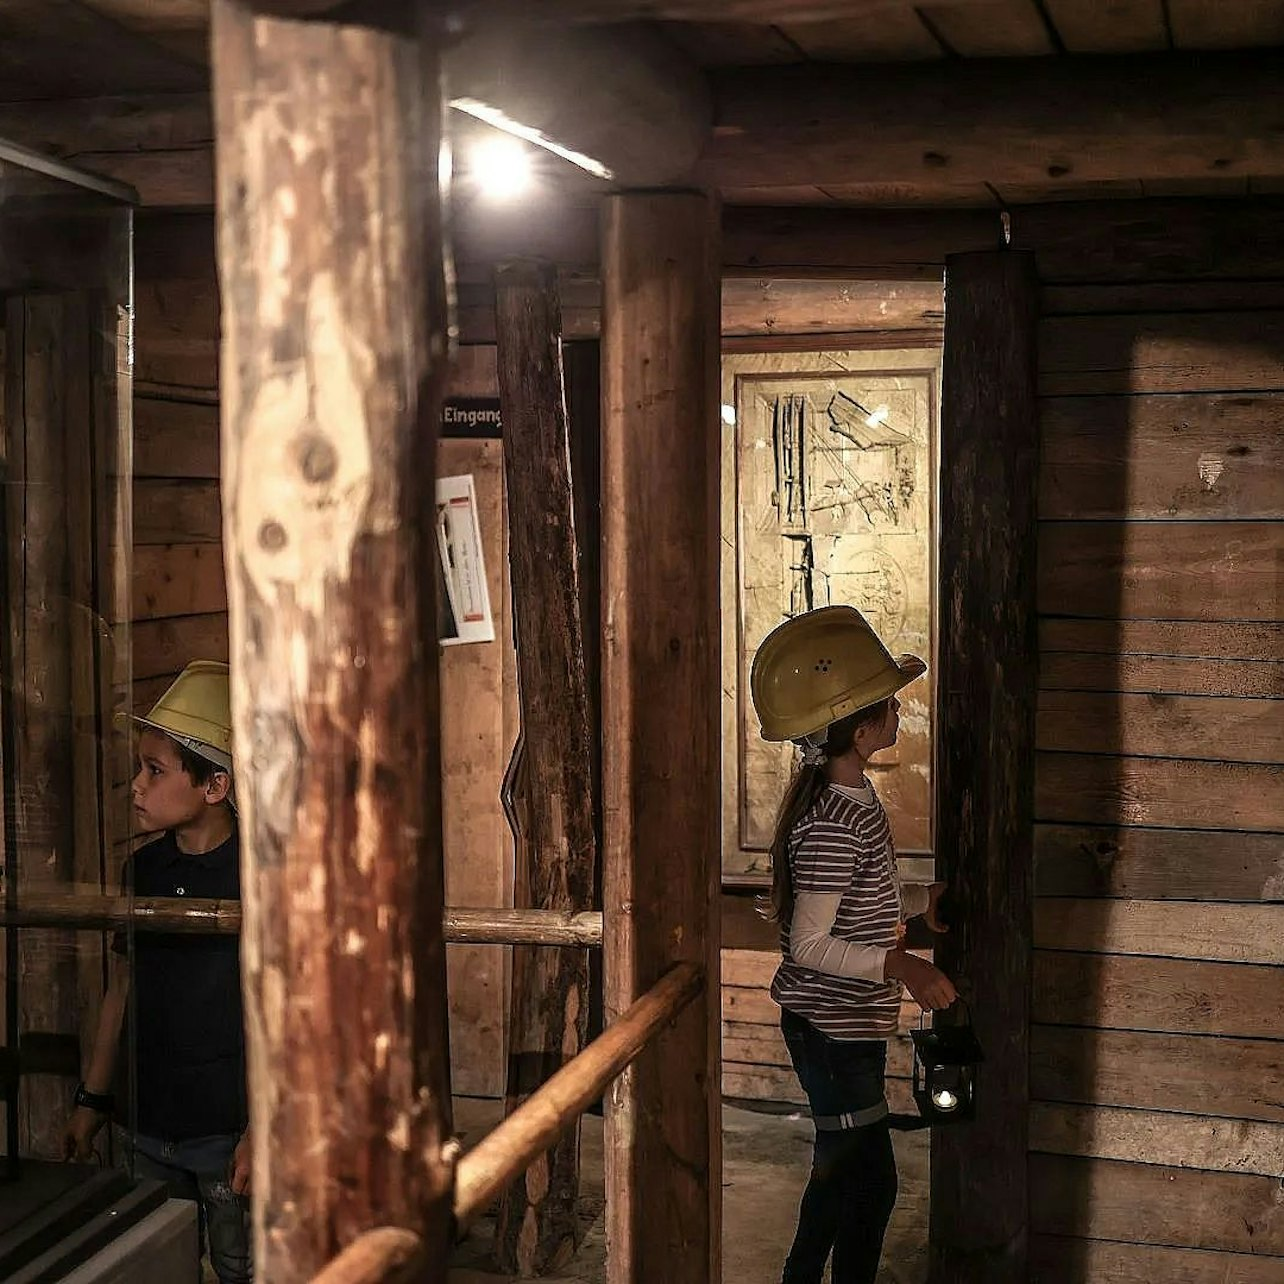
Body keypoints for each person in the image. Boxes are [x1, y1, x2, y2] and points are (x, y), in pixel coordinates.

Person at [750, 605, 957, 1284]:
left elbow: (860, 897)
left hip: (847, 1027)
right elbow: (809, 944)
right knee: (859, 1183)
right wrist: (898, 962)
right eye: (889, 705)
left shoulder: (852, 799)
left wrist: (921, 908)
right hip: (829, 1031)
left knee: (855, 1182)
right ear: (861, 726)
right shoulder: (837, 819)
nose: (898, 715)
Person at [63, 660, 252, 1284]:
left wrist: (263, 1130)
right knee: (157, 1263)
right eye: (139, 768)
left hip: (226, 1130)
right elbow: (122, 989)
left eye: (155, 770)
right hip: (148, 1123)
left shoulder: (259, 877)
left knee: (241, 1264)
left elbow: (286, 1013)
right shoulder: (141, 872)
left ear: (215, 786)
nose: (136, 786)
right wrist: (94, 1098)